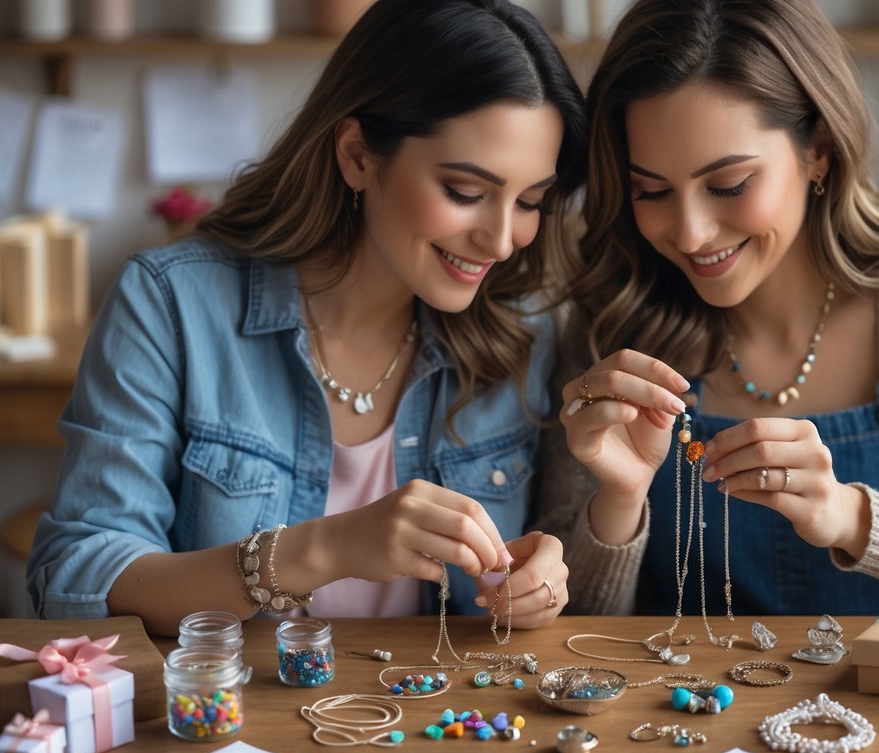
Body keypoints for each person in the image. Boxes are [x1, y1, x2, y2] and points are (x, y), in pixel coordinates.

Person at [29, 0, 587, 635]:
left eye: (531, 201)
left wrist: (539, 579)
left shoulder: (524, 328)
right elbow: (75, 580)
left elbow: (553, 561)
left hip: (435, 724)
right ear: (357, 155)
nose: (502, 240)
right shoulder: (170, 305)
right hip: (227, 721)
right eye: (466, 192)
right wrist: (324, 550)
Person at [537, 0, 879, 617]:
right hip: (686, 711)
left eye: (728, 185)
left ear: (820, 150)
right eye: (652, 191)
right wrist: (617, 500)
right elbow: (568, 637)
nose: (692, 233)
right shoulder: (613, 308)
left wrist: (851, 517)